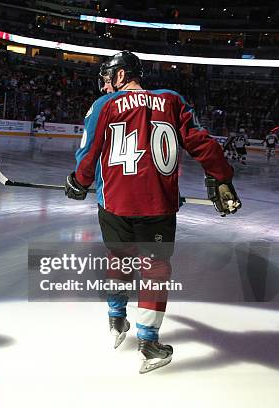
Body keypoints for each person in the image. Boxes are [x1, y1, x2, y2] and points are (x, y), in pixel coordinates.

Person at [64, 51, 241, 374]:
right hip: (158, 206)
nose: (105, 83)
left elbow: (89, 154)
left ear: (121, 76)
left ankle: (117, 316)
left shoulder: (103, 106)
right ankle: (148, 343)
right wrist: (221, 177)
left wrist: (78, 182)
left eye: (108, 76)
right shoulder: (172, 101)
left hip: (114, 203)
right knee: (155, 270)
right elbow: (202, 143)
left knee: (119, 259)